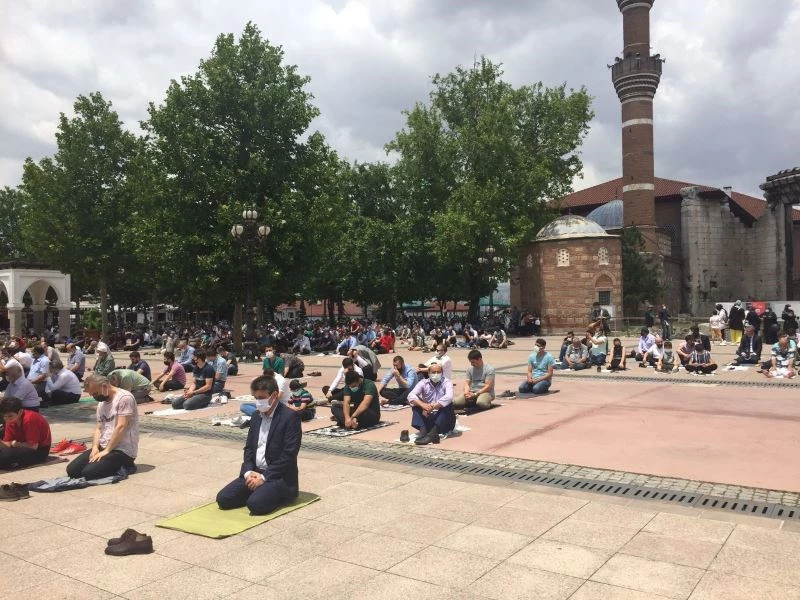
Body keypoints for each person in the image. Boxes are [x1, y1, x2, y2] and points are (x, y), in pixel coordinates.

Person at [216, 376, 301, 515]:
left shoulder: (290, 417)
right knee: (223, 499)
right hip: (255, 472)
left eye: (262, 398)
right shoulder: (256, 416)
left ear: (274, 395)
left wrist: (264, 477)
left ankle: (274, 494)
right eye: (256, 398)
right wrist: (248, 473)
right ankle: (258, 491)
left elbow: (289, 454)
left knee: (255, 505)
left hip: (277, 476)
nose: (258, 402)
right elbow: (249, 448)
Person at [67, 374, 139, 480]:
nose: (94, 397)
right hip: (104, 446)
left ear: (104, 386)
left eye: (95, 393)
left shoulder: (124, 398)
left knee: (89, 473)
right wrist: (95, 447)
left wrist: (107, 450)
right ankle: (106, 462)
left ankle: (127, 465)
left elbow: (121, 426)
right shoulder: (102, 403)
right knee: (72, 471)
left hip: (122, 450)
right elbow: (99, 428)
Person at [407, 362, 455, 445]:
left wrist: (433, 406)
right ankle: (423, 432)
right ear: (428, 373)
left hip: (444, 421)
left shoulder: (447, 382)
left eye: (438, 372)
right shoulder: (423, 383)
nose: (436, 374)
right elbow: (410, 395)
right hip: (428, 417)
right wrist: (423, 405)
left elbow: (449, 397)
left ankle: (433, 434)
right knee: (415, 404)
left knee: (448, 405)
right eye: (433, 372)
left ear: (442, 373)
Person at [0, 396, 52, 470]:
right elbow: (7, 443)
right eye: (5, 416)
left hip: (39, 451)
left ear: (20, 412)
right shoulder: (10, 421)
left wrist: (15, 444)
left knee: (4, 457)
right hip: (21, 447)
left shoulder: (29, 419)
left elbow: (33, 446)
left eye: (10, 416)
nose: (7, 419)